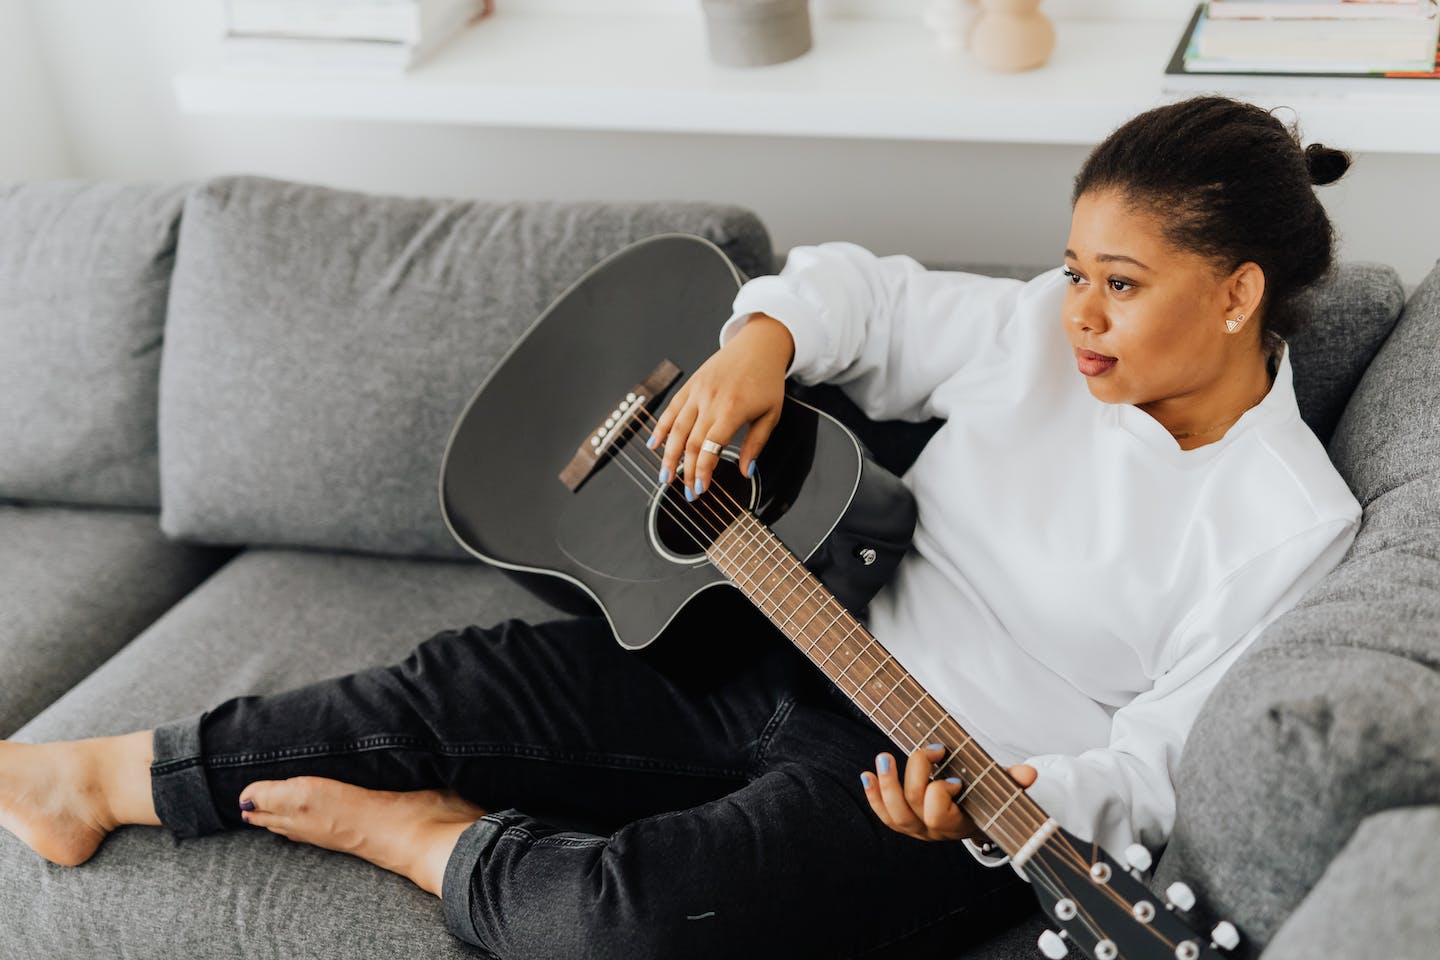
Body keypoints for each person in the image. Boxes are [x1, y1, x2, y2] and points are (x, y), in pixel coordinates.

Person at [0, 95, 1361, 958]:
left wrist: (1002, 807)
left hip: (920, 788)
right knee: (466, 679)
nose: (1078, 313)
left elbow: (1155, 767)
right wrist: (760, 344)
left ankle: (420, 840)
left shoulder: (1284, 523)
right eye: (1073, 271)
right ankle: (99, 780)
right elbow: (862, 296)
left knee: (633, 919)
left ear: (1238, 294)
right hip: (786, 642)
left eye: (1120, 285)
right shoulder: (1037, 342)